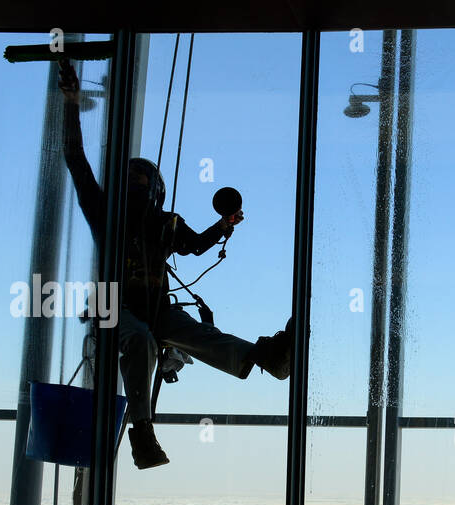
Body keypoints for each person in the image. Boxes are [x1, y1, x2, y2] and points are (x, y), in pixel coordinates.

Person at [57, 58, 294, 469]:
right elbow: (75, 158)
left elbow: (196, 245)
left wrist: (222, 226)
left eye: (138, 183)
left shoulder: (119, 215)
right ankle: (142, 432)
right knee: (151, 339)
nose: (136, 189)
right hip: (119, 311)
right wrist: (71, 105)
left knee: (198, 336)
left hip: (138, 310)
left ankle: (265, 359)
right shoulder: (154, 221)